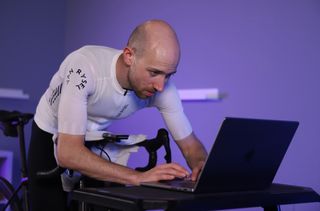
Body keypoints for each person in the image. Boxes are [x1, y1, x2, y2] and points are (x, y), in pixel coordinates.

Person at [27, 19, 207, 211]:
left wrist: (203, 168)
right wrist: (138, 177)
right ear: (129, 56)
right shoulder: (84, 66)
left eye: (168, 75)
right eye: (154, 72)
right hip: (52, 129)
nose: (160, 86)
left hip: (95, 135)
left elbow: (191, 147)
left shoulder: (162, 88)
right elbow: (69, 153)